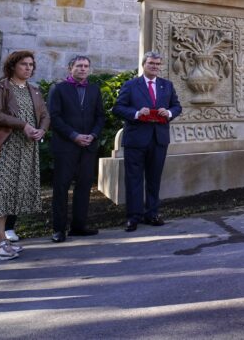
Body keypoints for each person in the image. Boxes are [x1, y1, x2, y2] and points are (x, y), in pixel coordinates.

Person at [0, 51, 49, 260]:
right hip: (5, 146)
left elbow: (45, 114)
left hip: (26, 148)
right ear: (13, 66)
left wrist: (41, 129)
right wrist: (23, 125)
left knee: (14, 193)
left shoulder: (34, 90)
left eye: (31, 64)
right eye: (24, 64)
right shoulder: (0, 86)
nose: (29, 68)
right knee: (1, 192)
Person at [113, 51, 181, 232]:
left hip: (159, 139)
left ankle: (152, 213)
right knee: (134, 179)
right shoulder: (131, 85)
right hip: (136, 139)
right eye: (151, 63)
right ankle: (133, 217)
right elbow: (118, 108)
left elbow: (177, 106)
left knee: (154, 178)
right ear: (144, 64)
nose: (155, 67)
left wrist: (169, 113)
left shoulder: (166, 86)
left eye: (158, 64)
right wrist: (136, 113)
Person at [47, 55, 106, 243]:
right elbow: (54, 117)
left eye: (86, 66)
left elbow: (100, 117)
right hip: (66, 146)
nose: (83, 69)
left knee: (84, 187)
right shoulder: (58, 89)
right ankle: (58, 229)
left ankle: (79, 226)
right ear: (70, 68)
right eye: (79, 66)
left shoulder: (94, 89)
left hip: (88, 146)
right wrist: (74, 136)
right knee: (61, 187)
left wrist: (93, 135)